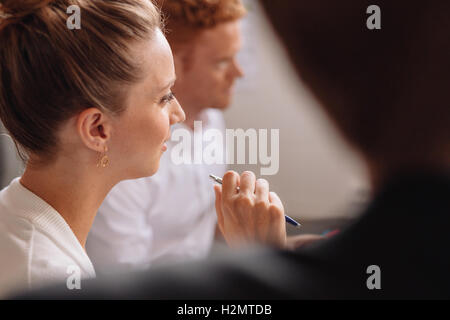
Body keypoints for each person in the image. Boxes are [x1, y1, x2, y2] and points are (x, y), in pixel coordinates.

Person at [22, 0, 450, 299]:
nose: (239, 73)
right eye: (165, 95)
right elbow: (130, 283)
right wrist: (266, 261)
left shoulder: (205, 127)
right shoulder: (122, 177)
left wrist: (277, 252)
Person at [0, 0, 187, 297]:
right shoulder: (47, 280)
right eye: (164, 97)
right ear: (97, 130)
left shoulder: (15, 217)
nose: (179, 115)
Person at [86, 0, 246, 272]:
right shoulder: (126, 159)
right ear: (175, 62)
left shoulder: (212, 120)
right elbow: (124, 282)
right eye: (222, 62)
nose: (238, 73)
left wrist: (276, 247)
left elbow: (204, 219)